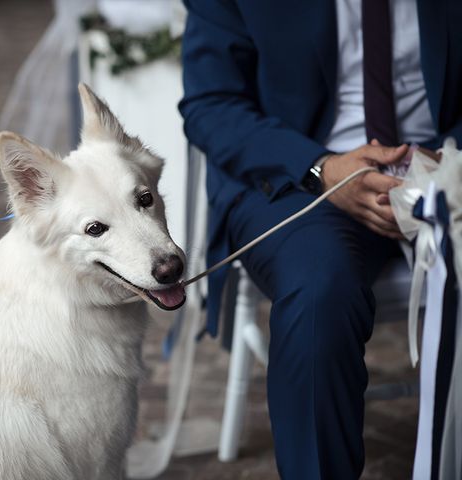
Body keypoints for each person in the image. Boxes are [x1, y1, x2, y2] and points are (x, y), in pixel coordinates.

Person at [178, 0, 462, 478]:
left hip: (443, 165)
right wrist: (321, 168)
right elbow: (212, 104)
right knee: (318, 289)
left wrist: (447, 159)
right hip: (294, 177)